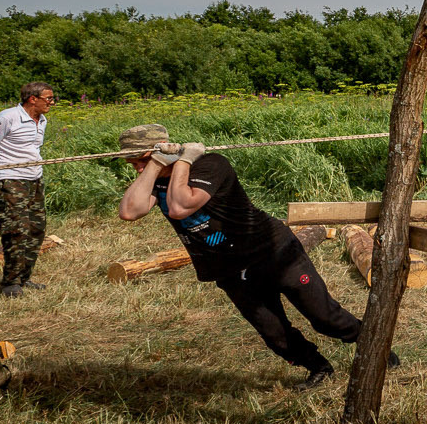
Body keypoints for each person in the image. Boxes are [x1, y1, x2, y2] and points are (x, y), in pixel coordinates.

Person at [115, 124, 392, 390]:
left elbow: (179, 206)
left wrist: (183, 161)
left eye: (142, 160)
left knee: (326, 318)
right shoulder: (154, 178)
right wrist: (153, 165)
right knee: (275, 335)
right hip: (230, 269)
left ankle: (378, 351)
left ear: (165, 151)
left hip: (274, 252)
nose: (138, 168)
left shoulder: (210, 165)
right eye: (133, 164)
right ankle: (319, 367)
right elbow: (130, 211)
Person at [0, 81, 56, 298]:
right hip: (9, 179)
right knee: (16, 230)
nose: (52, 102)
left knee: (36, 229)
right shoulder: (6, 118)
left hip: (34, 179)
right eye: (48, 98)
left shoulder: (42, 120)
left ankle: (23, 278)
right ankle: (10, 283)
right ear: (32, 99)